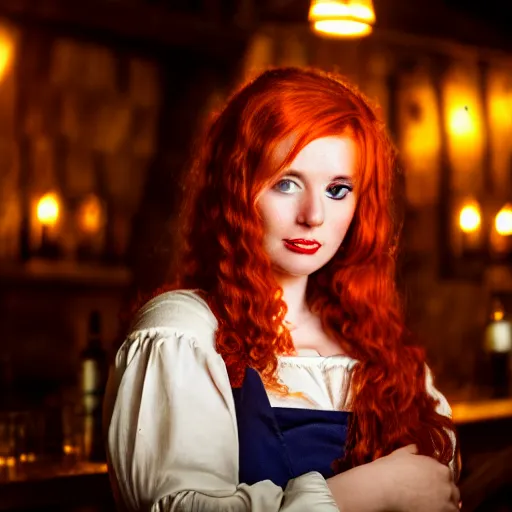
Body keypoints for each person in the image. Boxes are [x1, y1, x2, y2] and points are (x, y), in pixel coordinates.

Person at [103, 67, 461, 511]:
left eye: (337, 189)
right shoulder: (182, 330)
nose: (313, 215)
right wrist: (375, 490)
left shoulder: (377, 343)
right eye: (286, 183)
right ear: (236, 188)